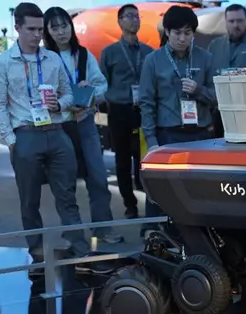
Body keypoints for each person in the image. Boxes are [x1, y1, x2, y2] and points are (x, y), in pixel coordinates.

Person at [0, 2, 90, 268]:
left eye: (39, 29)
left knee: (67, 196)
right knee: (29, 200)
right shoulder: (3, 63)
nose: (37, 34)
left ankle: (79, 250)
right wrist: (11, 141)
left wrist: (62, 103)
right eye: (31, 29)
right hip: (25, 135)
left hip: (56, 132)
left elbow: (68, 92)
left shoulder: (53, 58)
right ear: (17, 28)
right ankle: (36, 253)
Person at [43, 7, 124, 254]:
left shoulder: (85, 55)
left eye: (64, 25)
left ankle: (103, 227)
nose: (61, 31)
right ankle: (73, 232)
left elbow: (103, 86)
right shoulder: (44, 58)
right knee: (64, 182)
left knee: (98, 177)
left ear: (71, 26)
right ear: (47, 31)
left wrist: (89, 95)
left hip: (86, 122)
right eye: (54, 27)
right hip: (59, 126)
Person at [139, 6, 217, 233]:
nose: (182, 38)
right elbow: (146, 103)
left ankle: (196, 235)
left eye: (187, 33)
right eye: (177, 33)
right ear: (167, 32)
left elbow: (218, 98)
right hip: (167, 135)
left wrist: (199, 90)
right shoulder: (153, 61)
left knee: (197, 190)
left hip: (199, 135)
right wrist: (151, 140)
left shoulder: (205, 58)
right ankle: (154, 235)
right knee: (161, 189)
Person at [99, 4, 153, 220]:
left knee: (146, 158)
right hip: (119, 111)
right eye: (129, 16)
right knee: (122, 159)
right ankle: (129, 204)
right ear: (120, 21)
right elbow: (103, 83)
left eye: (137, 16)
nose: (135, 20)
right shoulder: (109, 52)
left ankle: (151, 200)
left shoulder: (149, 53)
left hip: (143, 110)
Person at [207, 4, 246, 72]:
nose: (235, 25)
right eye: (231, 21)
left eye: (240, 21)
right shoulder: (215, 45)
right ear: (226, 22)